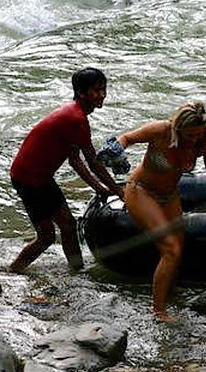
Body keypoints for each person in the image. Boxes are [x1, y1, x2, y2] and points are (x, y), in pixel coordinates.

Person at [100, 102, 206, 321]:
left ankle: (170, 294)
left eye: (198, 134)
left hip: (170, 196)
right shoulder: (160, 130)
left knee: (178, 248)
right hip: (141, 191)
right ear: (177, 128)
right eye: (189, 134)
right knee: (171, 249)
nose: (193, 139)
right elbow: (127, 138)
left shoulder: (205, 143)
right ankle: (159, 311)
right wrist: (117, 151)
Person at [9, 67, 124, 273]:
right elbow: (93, 162)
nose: (102, 95)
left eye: (104, 89)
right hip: (29, 179)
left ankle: (77, 272)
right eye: (96, 90)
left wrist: (100, 188)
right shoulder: (76, 119)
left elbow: (74, 160)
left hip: (40, 177)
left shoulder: (73, 115)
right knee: (47, 237)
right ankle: (13, 271)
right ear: (81, 93)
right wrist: (118, 191)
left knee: (69, 227)